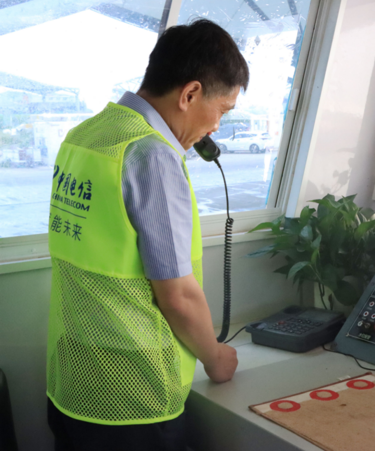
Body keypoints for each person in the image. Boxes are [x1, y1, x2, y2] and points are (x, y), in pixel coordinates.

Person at [46, 18, 249, 451]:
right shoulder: (152, 155)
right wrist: (215, 357)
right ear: (190, 93)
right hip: (132, 395)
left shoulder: (86, 136)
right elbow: (177, 295)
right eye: (223, 109)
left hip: (73, 377)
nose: (217, 126)